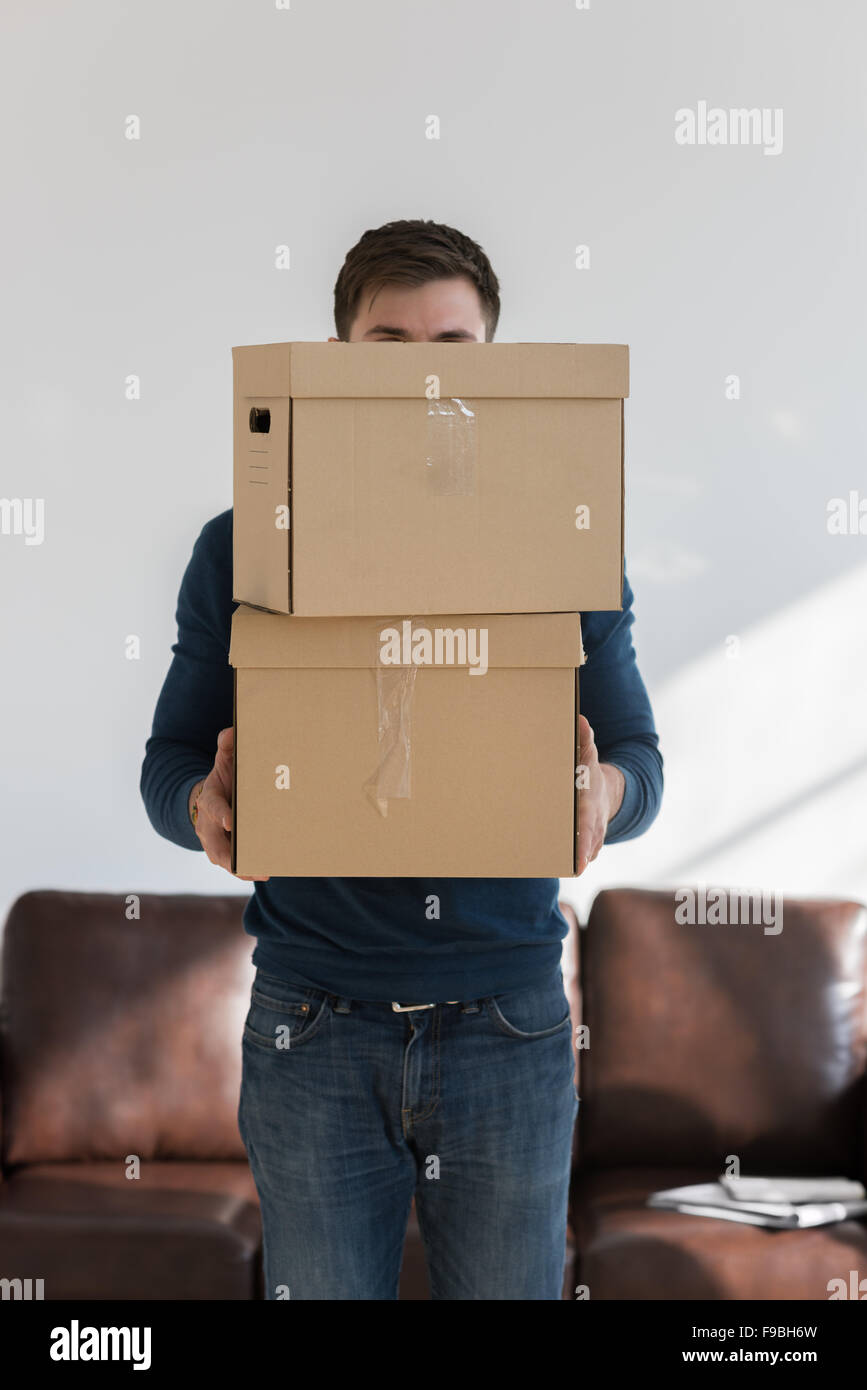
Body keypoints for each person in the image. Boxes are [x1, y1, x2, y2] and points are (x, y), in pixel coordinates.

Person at [140, 218, 663, 1300]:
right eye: (389, 349)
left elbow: (638, 760)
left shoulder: (561, 545)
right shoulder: (243, 544)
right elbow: (171, 762)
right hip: (312, 1023)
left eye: (452, 352)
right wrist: (203, 804)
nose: (423, 382)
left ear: (494, 373)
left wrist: (599, 792)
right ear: (337, 367)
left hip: (509, 1024)